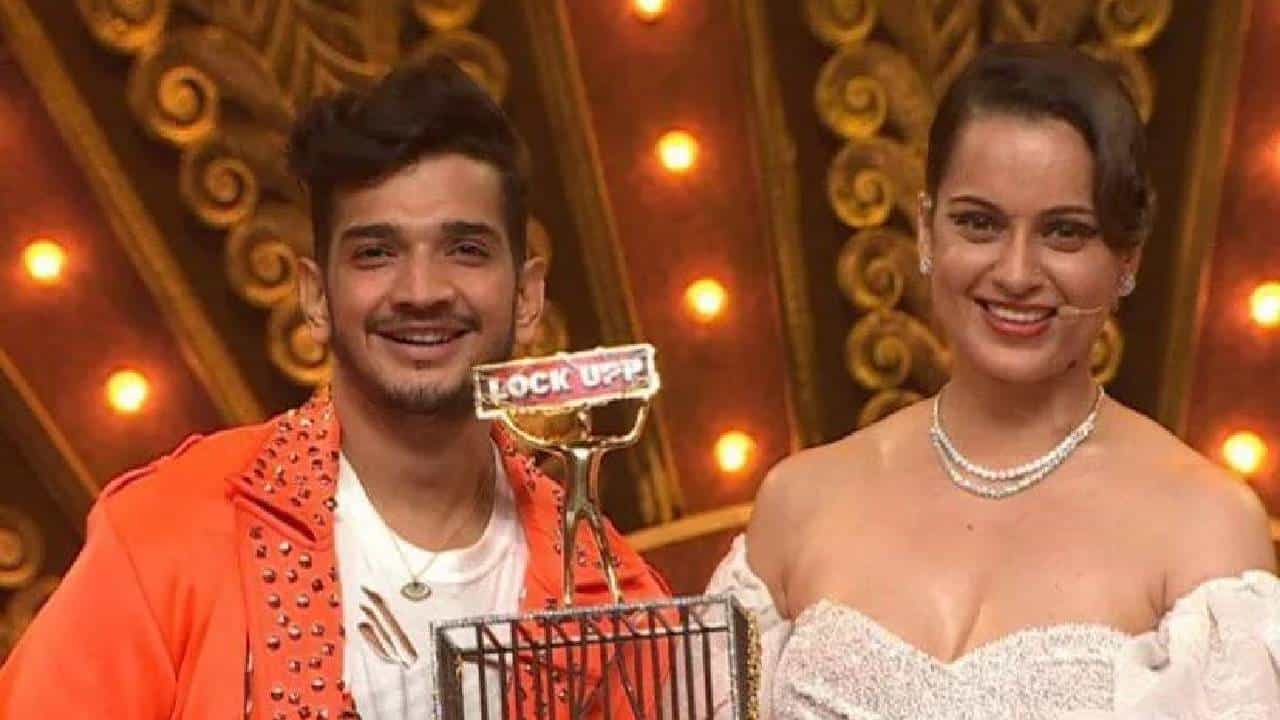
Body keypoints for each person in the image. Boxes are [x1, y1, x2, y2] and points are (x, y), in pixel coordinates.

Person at [0, 56, 669, 719]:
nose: (422, 291)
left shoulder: (614, 597)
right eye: (376, 253)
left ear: (527, 297)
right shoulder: (171, 531)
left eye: (464, 249)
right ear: (316, 297)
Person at [708, 43, 1279, 719]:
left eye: (1065, 233)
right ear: (926, 232)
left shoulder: (1206, 529)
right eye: (979, 224)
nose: (1015, 273)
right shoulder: (799, 504)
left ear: (1126, 259)